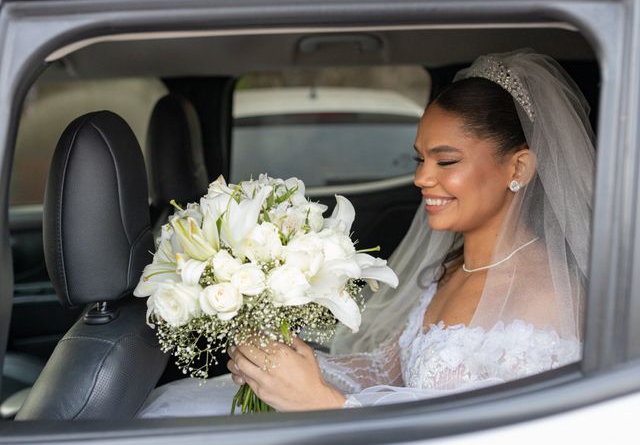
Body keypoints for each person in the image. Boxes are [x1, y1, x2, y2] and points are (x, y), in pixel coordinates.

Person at [138, 49, 593, 416]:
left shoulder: (551, 299)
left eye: (446, 161)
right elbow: (385, 369)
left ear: (518, 166)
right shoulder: (451, 269)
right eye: (419, 159)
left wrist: (324, 404)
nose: (421, 178)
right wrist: (288, 366)